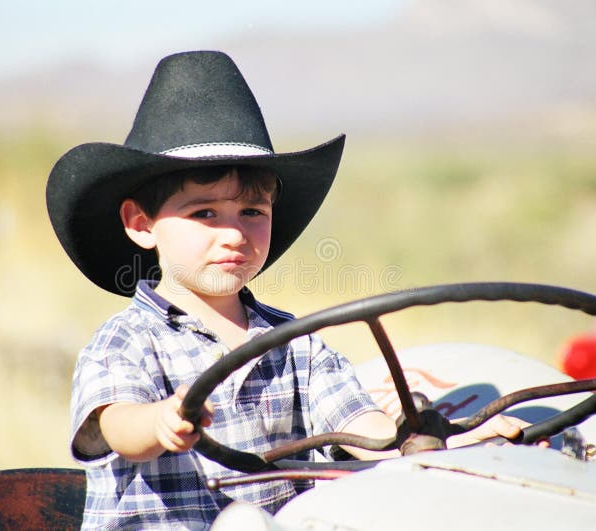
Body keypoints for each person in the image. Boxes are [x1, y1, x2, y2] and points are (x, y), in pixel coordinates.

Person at [46, 50, 527, 530]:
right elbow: (116, 425)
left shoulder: (298, 343)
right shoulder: (125, 342)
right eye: (205, 214)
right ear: (141, 223)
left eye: (252, 213)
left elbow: (362, 427)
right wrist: (158, 422)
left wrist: (437, 441)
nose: (233, 234)